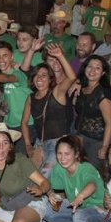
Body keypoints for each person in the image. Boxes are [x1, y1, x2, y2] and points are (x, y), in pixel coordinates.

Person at [20, 44, 77, 177]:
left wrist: (60, 56)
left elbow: (71, 78)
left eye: (44, 75)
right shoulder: (31, 98)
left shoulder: (57, 92)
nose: (39, 79)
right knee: (32, 177)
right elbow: (24, 122)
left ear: (50, 78)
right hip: (40, 143)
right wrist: (28, 145)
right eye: (37, 76)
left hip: (58, 143)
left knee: (44, 176)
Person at [74, 55, 111, 169]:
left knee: (92, 174)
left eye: (97, 68)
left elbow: (110, 122)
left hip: (96, 141)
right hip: (79, 136)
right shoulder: (83, 88)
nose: (92, 70)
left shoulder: (103, 93)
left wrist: (105, 146)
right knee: (78, 171)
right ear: (85, 68)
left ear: (102, 73)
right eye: (90, 66)